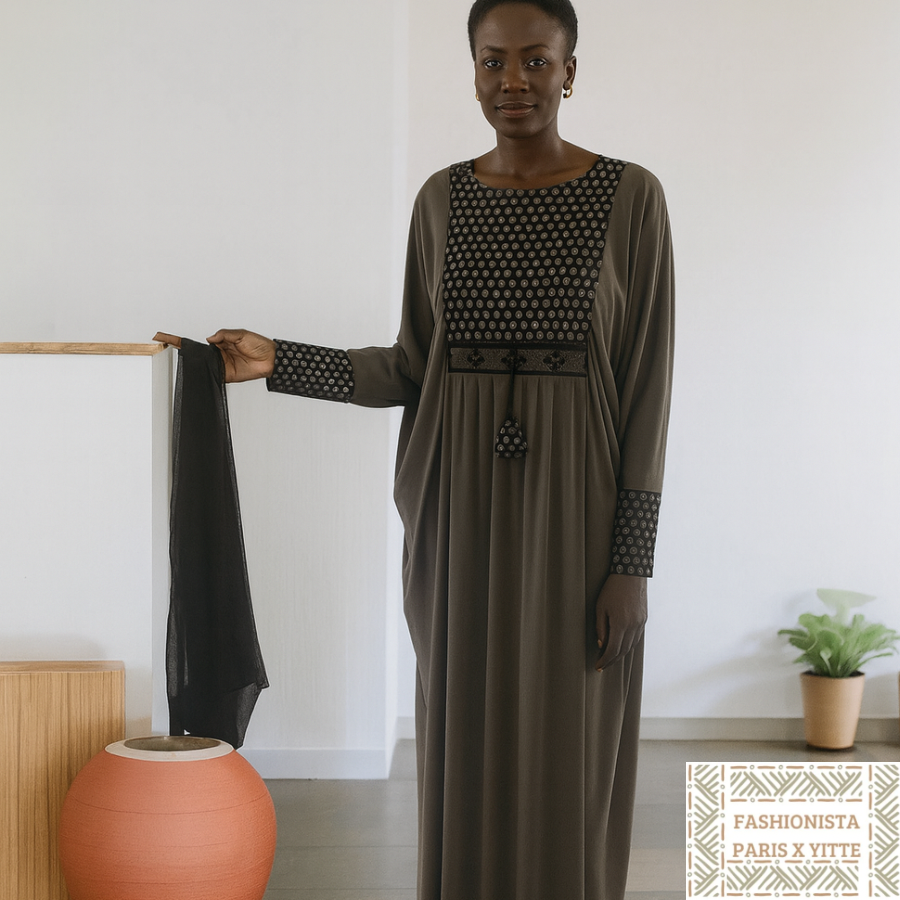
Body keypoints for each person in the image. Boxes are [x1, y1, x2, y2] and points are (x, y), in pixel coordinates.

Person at [209, 0, 673, 897]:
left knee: (574, 736)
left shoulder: (632, 198)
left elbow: (649, 390)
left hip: (579, 521)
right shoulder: (442, 200)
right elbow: (412, 365)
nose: (513, 81)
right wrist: (280, 361)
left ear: (570, 71)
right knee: (465, 727)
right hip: (460, 516)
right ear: (473, 71)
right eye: (493, 61)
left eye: (536, 60)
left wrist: (632, 561)